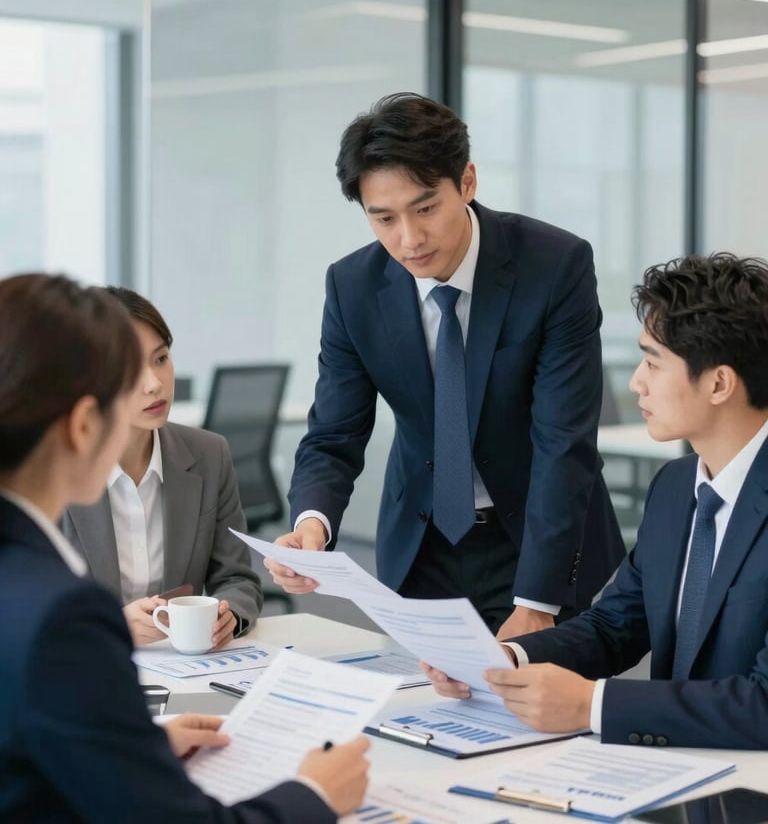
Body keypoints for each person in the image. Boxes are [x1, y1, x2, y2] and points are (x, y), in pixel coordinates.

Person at [0, 272, 370, 822]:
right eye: (121, 378)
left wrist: (129, 750)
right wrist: (313, 795)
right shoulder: (64, 617)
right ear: (83, 423)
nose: (152, 385)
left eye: (161, 359)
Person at [266, 92, 624, 638]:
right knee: (425, 715)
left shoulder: (554, 266)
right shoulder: (352, 287)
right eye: (383, 218)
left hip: (535, 541)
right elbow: (334, 433)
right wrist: (311, 524)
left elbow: (564, 441)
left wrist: (537, 600)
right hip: (421, 546)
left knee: (540, 714)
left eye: (426, 208)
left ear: (468, 182)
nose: (408, 239)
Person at [424, 252, 768, 749]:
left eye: (652, 361)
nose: (636, 383)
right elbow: (615, 626)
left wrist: (591, 705)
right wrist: (506, 661)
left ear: (718, 383)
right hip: (678, 767)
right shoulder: (675, 487)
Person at [62, 287, 262, 647]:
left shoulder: (209, 454)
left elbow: (238, 578)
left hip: (181, 666)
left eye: (161, 358)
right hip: (82, 665)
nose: (155, 384)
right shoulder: (50, 471)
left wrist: (228, 615)